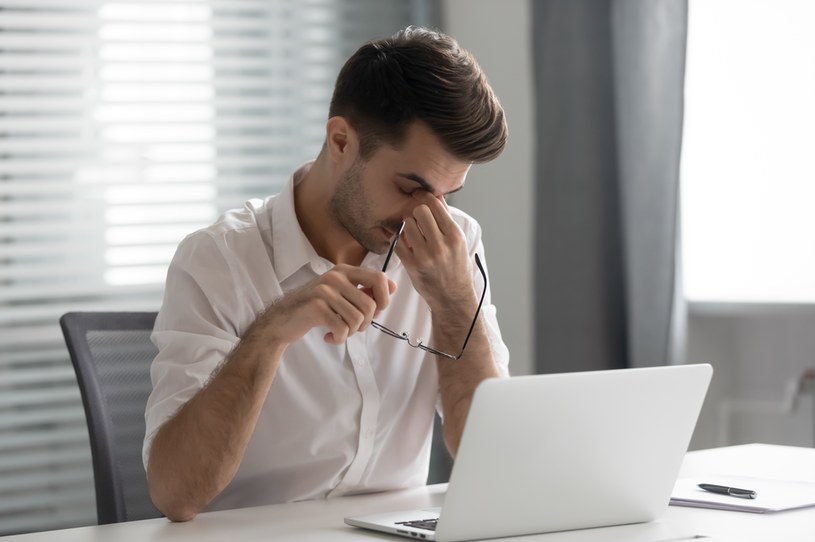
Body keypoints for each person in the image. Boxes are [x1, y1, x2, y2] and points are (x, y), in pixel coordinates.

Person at [143, 26, 510, 522]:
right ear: (341, 141)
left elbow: (490, 457)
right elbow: (175, 493)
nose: (428, 218)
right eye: (410, 187)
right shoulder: (219, 259)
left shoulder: (454, 246)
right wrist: (270, 333)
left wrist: (454, 304)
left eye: (448, 196)